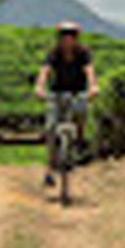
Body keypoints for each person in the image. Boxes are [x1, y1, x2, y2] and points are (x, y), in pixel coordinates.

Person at [34, 21, 100, 187]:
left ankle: (79, 140)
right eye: (64, 35)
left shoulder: (83, 53)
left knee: (81, 112)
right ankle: (50, 167)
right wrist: (40, 87)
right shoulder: (54, 54)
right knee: (50, 128)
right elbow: (45, 71)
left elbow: (90, 71)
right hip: (57, 93)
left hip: (78, 92)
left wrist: (93, 86)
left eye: (72, 35)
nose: (68, 39)